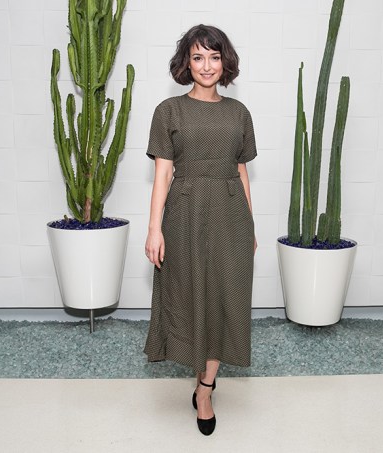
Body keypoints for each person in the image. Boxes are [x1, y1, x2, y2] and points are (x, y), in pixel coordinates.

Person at [143, 24, 257, 436]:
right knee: (192, 296)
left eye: (213, 56)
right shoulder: (168, 111)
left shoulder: (238, 113)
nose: (206, 65)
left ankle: (205, 389)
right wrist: (154, 229)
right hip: (185, 213)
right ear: (185, 63)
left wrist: (251, 225)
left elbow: (241, 171)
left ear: (224, 61)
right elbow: (162, 174)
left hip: (231, 217)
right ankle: (200, 379)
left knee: (225, 300)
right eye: (197, 57)